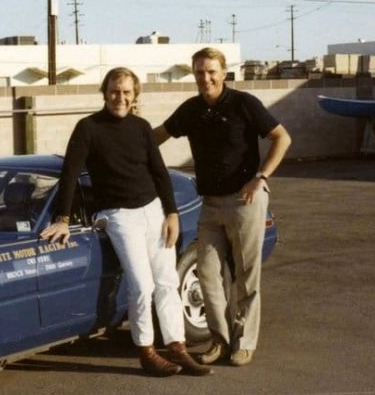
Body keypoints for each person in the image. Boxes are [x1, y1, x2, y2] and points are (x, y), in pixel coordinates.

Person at [41, 67, 211, 377]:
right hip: (118, 216)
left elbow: (159, 172)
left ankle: (177, 347)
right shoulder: (88, 128)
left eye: (126, 92)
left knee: (167, 282)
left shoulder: (142, 127)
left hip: (154, 211)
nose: (120, 97)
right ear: (105, 93)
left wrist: (172, 213)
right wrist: (62, 219)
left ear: (135, 96)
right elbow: (69, 174)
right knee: (142, 285)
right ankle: (146, 351)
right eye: (115, 91)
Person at [153, 47, 291, 367]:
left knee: (245, 275)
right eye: (200, 72)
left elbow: (282, 138)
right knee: (207, 272)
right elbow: (156, 136)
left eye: (211, 72)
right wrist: (122, 143)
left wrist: (261, 177)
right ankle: (220, 339)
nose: (206, 78)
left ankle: (244, 342)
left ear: (224, 73)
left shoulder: (244, 104)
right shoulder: (191, 110)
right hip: (210, 204)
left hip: (245, 201)